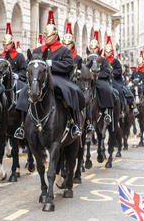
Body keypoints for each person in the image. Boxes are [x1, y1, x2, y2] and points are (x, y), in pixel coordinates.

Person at [15, 10, 84, 140]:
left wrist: (52, 64)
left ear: (55, 36)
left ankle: (74, 123)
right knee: (24, 92)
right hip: (40, 78)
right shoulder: (37, 50)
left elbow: (69, 65)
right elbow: (29, 63)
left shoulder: (64, 50)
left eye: (49, 35)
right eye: (45, 35)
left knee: (70, 91)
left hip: (59, 77)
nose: (46, 38)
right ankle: (22, 126)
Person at [62, 22, 95, 135]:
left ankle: (86, 122)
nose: (66, 45)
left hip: (75, 83)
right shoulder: (59, 55)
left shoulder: (78, 58)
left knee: (83, 97)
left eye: (69, 43)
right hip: (62, 81)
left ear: (73, 44)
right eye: (65, 43)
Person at [89, 31, 115, 125]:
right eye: (91, 48)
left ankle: (107, 112)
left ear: (98, 48)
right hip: (89, 81)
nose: (93, 50)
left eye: (94, 48)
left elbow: (107, 71)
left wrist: (98, 75)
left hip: (101, 80)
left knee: (107, 89)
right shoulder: (87, 59)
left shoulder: (103, 60)